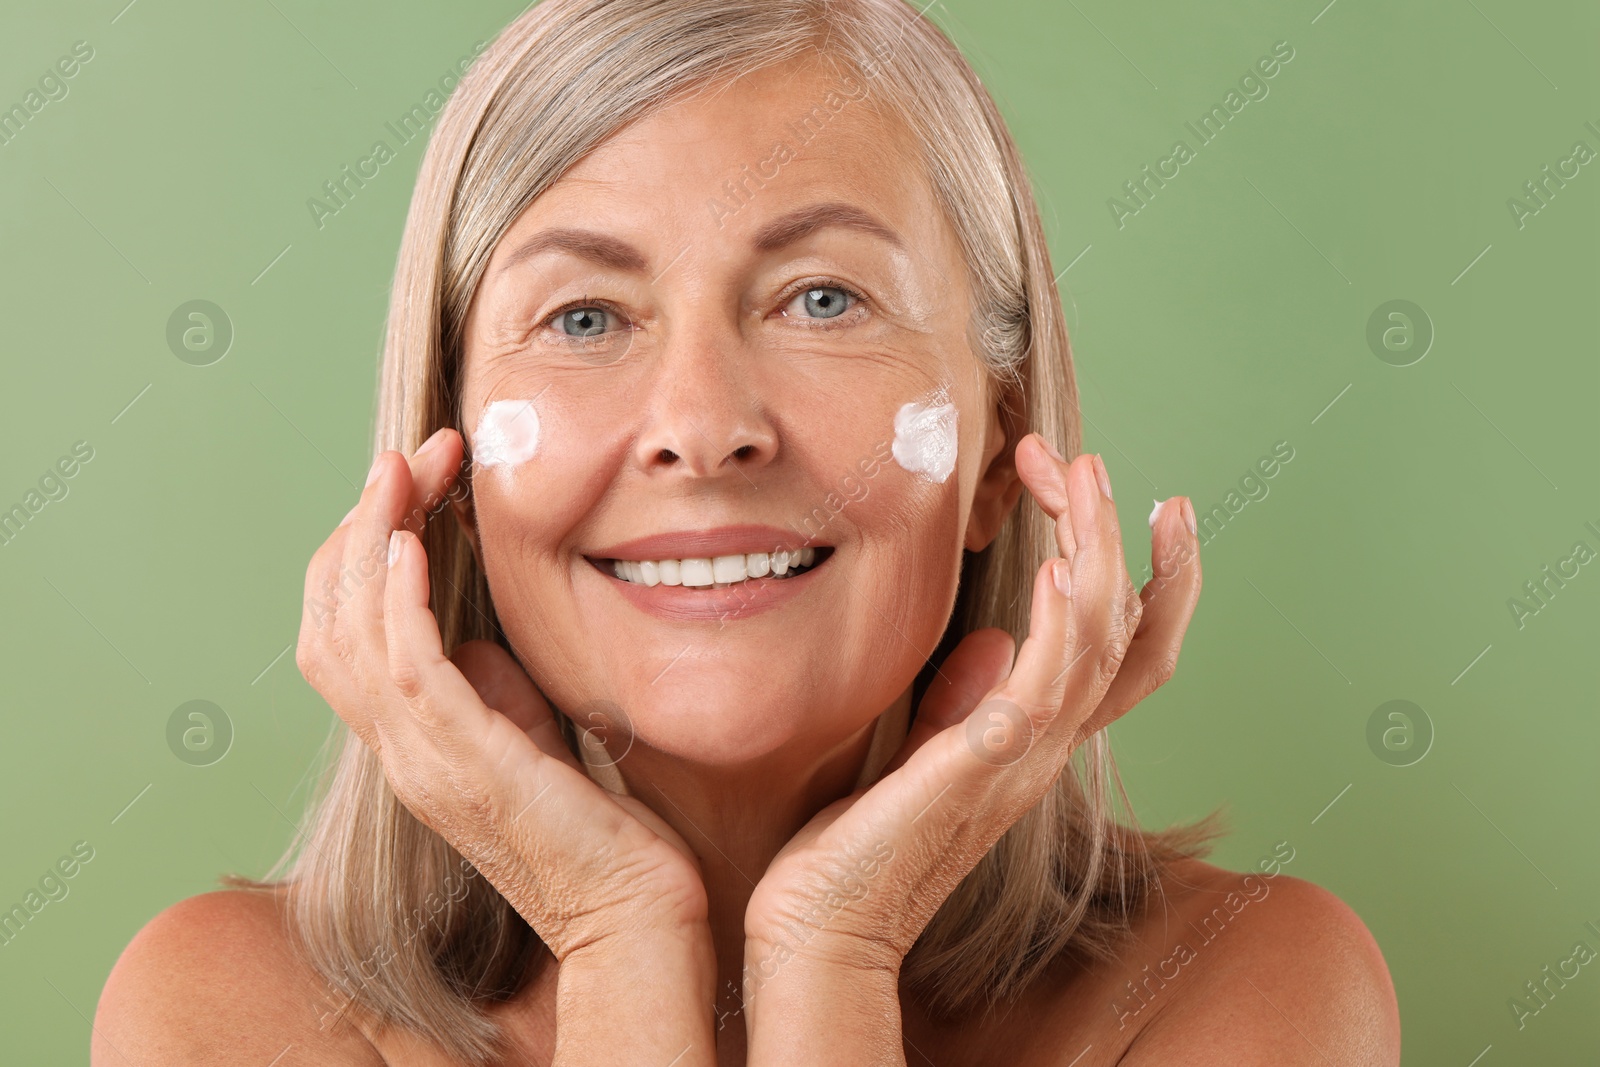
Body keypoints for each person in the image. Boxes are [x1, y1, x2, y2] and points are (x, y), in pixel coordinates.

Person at [94, 1, 1399, 1063]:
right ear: (454, 465)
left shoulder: (1242, 991)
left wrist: (833, 951)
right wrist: (618, 937)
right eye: (588, 317)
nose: (703, 426)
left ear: (1002, 448)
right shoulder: (227, 1019)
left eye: (823, 298)